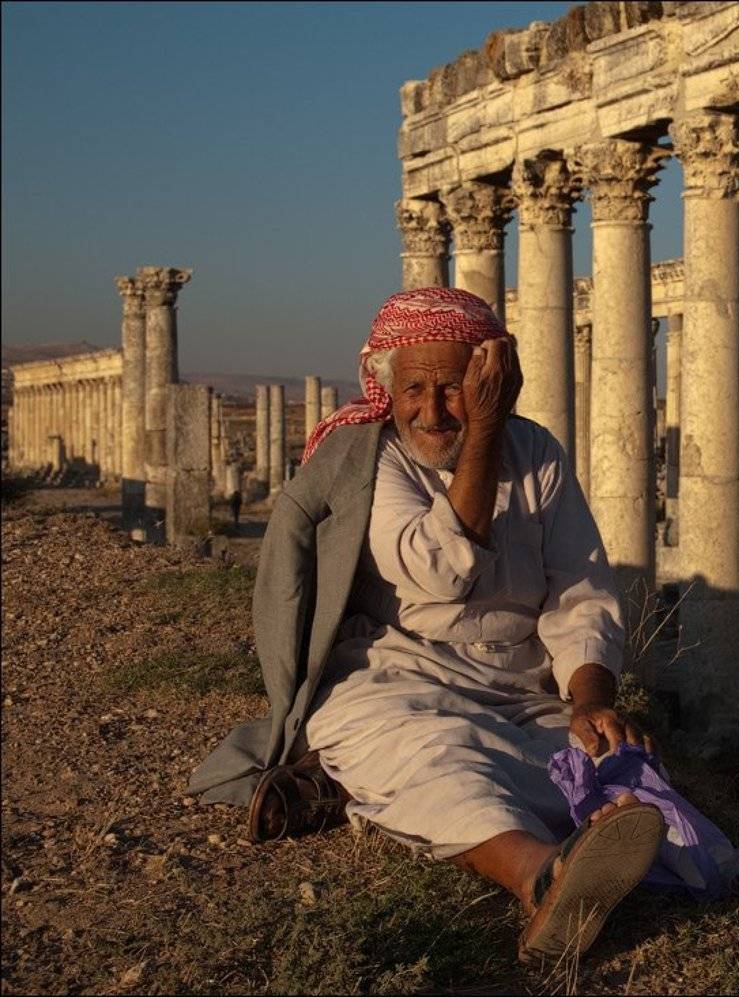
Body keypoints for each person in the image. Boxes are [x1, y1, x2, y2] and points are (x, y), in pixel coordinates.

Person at [188, 288, 663, 960]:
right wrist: (486, 433)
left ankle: (596, 837)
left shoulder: (539, 455)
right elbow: (439, 569)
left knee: (603, 759)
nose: (432, 410)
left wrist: (591, 701)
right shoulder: (371, 460)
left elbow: (581, 593)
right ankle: (538, 874)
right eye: (414, 388)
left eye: (455, 389)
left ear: (490, 380)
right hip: (397, 673)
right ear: (386, 386)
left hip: (521, 687)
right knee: (424, 754)